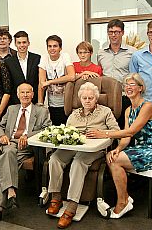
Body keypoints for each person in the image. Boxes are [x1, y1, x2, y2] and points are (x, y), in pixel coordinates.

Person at [86, 73, 152, 219]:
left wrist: (104, 134)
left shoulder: (148, 106)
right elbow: (126, 137)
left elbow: (131, 131)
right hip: (141, 148)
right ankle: (124, 199)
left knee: (115, 161)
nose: (128, 87)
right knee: (111, 157)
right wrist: (118, 149)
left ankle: (123, 202)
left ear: (140, 88)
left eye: (132, 84)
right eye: (126, 85)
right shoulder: (128, 110)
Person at [47, 82, 119, 228]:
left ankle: (72, 206)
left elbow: (116, 131)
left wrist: (102, 134)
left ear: (96, 99)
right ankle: (56, 197)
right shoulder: (74, 114)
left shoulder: (106, 112)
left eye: (90, 98)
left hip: (94, 149)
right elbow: (66, 132)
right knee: (54, 158)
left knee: (78, 162)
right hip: (74, 145)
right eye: (84, 98)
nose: (87, 101)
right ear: (80, 99)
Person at [0, 83, 51, 221]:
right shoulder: (11, 109)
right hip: (9, 143)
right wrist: (1, 135)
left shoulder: (41, 111)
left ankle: (1, 204)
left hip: (27, 146)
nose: (25, 95)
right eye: (22, 92)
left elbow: (47, 130)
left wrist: (28, 136)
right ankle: (9, 195)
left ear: (33, 94)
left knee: (7, 157)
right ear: (18, 94)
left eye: (28, 92)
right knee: (8, 153)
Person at [97, 19, 136, 128]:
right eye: (111, 32)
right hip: (106, 98)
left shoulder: (132, 52)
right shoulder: (101, 53)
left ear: (122, 33)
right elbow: (99, 74)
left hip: (125, 97)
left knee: (126, 131)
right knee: (106, 130)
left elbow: (135, 76)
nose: (113, 35)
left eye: (117, 32)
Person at [38, 35, 75, 125]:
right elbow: (42, 83)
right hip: (52, 103)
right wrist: (40, 104)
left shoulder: (65, 56)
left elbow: (72, 76)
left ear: (60, 48)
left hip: (67, 103)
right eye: (49, 46)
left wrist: (50, 81)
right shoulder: (44, 58)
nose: (52, 49)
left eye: (55, 46)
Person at [4, 31, 41, 105]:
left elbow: (39, 82)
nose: (22, 45)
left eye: (24, 42)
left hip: (34, 102)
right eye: (19, 43)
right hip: (16, 103)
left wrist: (39, 101)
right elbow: (9, 85)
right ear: (15, 44)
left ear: (28, 43)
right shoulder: (8, 62)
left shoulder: (37, 58)